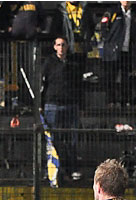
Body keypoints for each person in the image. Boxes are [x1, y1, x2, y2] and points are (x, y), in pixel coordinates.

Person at [41, 36, 83, 181]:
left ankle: (72, 168)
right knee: (53, 139)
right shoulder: (49, 63)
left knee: (71, 139)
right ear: (54, 47)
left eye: (63, 45)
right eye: (58, 45)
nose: (61, 48)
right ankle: (52, 170)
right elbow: (43, 84)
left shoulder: (73, 64)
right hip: (52, 104)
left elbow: (79, 85)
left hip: (70, 104)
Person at [100, 1, 136, 108]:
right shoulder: (112, 12)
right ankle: (111, 101)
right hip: (114, 51)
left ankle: (126, 101)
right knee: (111, 77)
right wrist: (109, 41)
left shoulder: (135, 14)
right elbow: (103, 26)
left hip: (128, 51)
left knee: (127, 78)